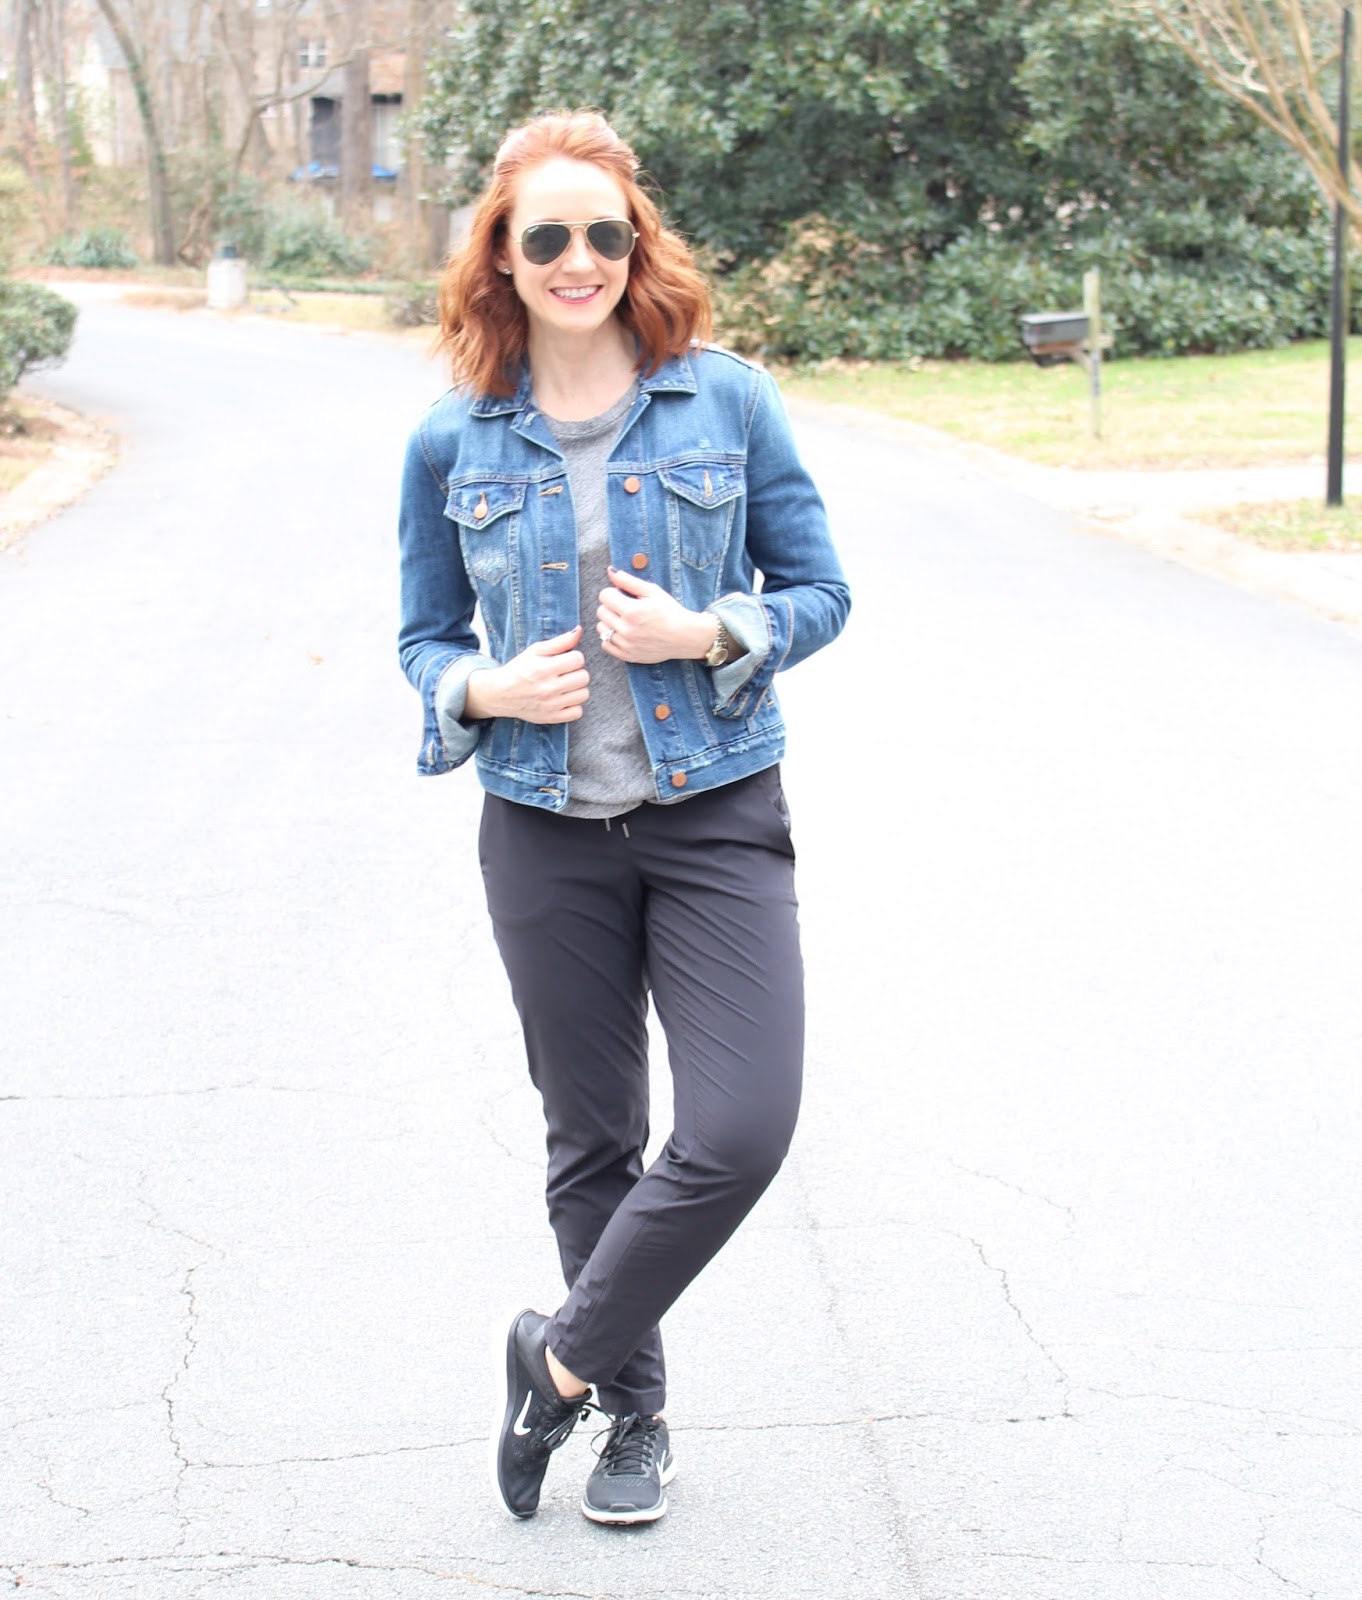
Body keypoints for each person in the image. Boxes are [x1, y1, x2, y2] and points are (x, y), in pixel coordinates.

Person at [397, 109, 850, 1527]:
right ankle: (631, 1418)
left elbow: (821, 590)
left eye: (606, 232)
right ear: (502, 256)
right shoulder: (451, 437)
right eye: (549, 236)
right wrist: (478, 687)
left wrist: (710, 631)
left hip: (714, 812)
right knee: (591, 1139)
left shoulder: (726, 401)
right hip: (541, 829)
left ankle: (560, 1360)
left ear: (635, 243)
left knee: (743, 1125)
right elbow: (421, 636)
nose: (579, 258)